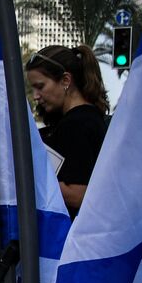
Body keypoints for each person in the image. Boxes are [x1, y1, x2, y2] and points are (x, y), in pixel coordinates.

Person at [25, 44, 108, 216]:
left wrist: (33, 178)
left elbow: (79, 195)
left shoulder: (77, 125)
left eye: (40, 86)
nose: (35, 96)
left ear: (65, 81)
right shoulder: (89, 118)